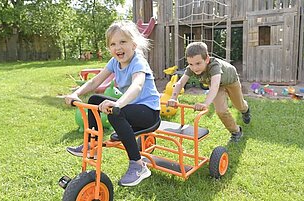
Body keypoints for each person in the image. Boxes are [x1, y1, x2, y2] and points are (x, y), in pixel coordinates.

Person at [64, 20, 160, 187]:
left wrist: (118, 104)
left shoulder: (138, 62)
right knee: (94, 99)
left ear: (134, 44)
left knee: (115, 112)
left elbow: (137, 86)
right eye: (113, 44)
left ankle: (138, 165)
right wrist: (76, 93)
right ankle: (91, 145)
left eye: (123, 42)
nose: (118, 47)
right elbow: (95, 82)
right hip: (129, 107)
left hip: (149, 113)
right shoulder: (114, 62)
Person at [167, 42, 250, 142]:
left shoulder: (214, 65)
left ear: (206, 59)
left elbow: (214, 86)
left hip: (230, 81)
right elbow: (180, 83)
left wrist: (205, 103)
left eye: (198, 63)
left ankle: (245, 111)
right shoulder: (191, 69)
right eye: (191, 64)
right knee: (221, 111)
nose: (194, 68)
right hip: (217, 85)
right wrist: (173, 97)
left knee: (239, 104)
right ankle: (236, 131)